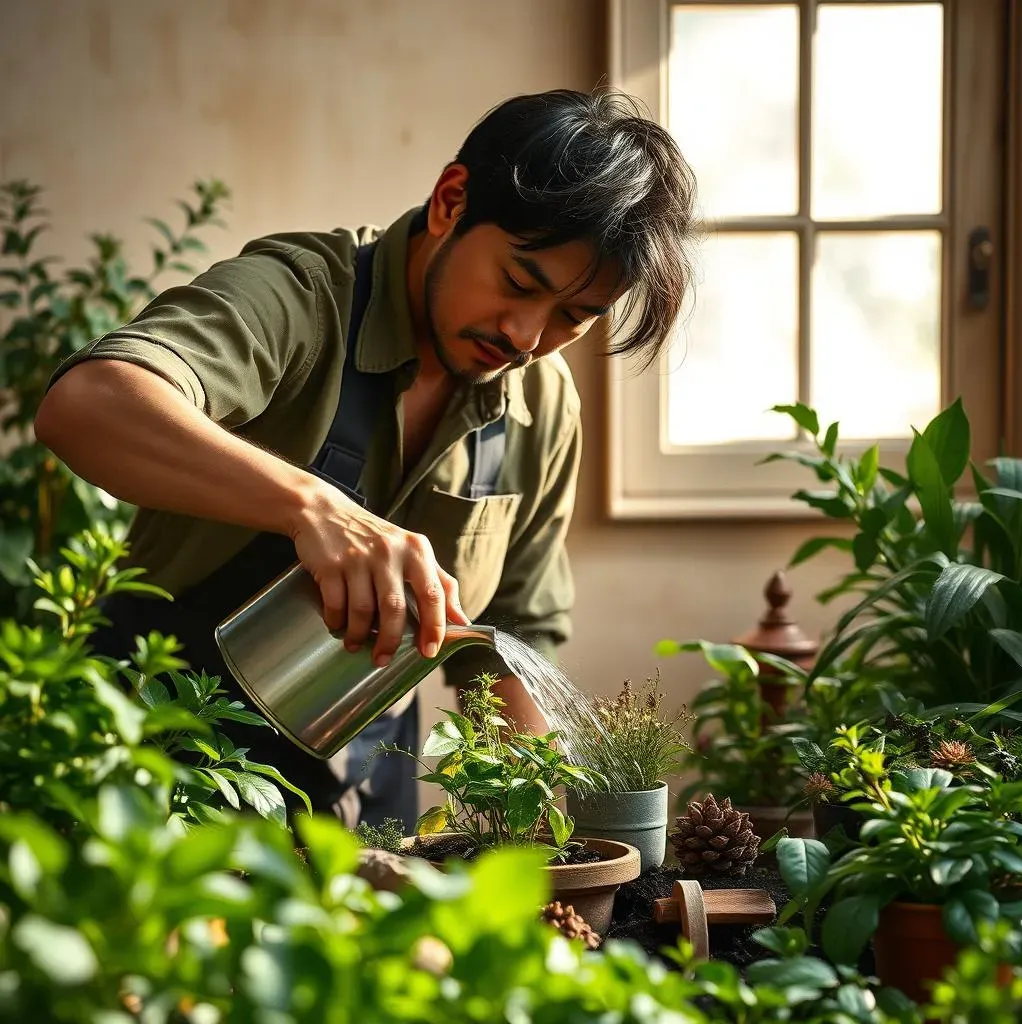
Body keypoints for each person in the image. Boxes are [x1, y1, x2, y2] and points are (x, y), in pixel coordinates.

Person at [34, 88, 698, 829]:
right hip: (159, 761)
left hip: (368, 781)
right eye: (519, 283)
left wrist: (537, 843)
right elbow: (86, 406)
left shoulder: (542, 404)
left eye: (573, 317)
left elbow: (513, 638)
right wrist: (314, 507)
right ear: (452, 201)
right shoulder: (299, 299)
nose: (526, 335)